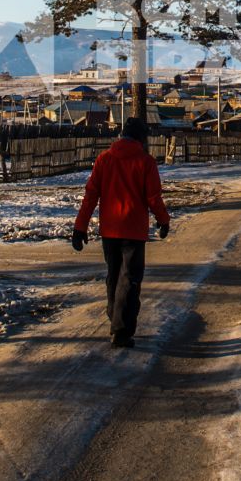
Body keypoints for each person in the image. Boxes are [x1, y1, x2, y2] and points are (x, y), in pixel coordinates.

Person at [72, 116, 172, 348]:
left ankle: (115, 316)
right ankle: (122, 330)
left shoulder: (104, 160)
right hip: (134, 232)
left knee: (114, 275)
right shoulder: (145, 162)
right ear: (140, 137)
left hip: (110, 229)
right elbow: (153, 198)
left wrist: (80, 227)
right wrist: (163, 221)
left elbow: (90, 196)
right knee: (130, 279)